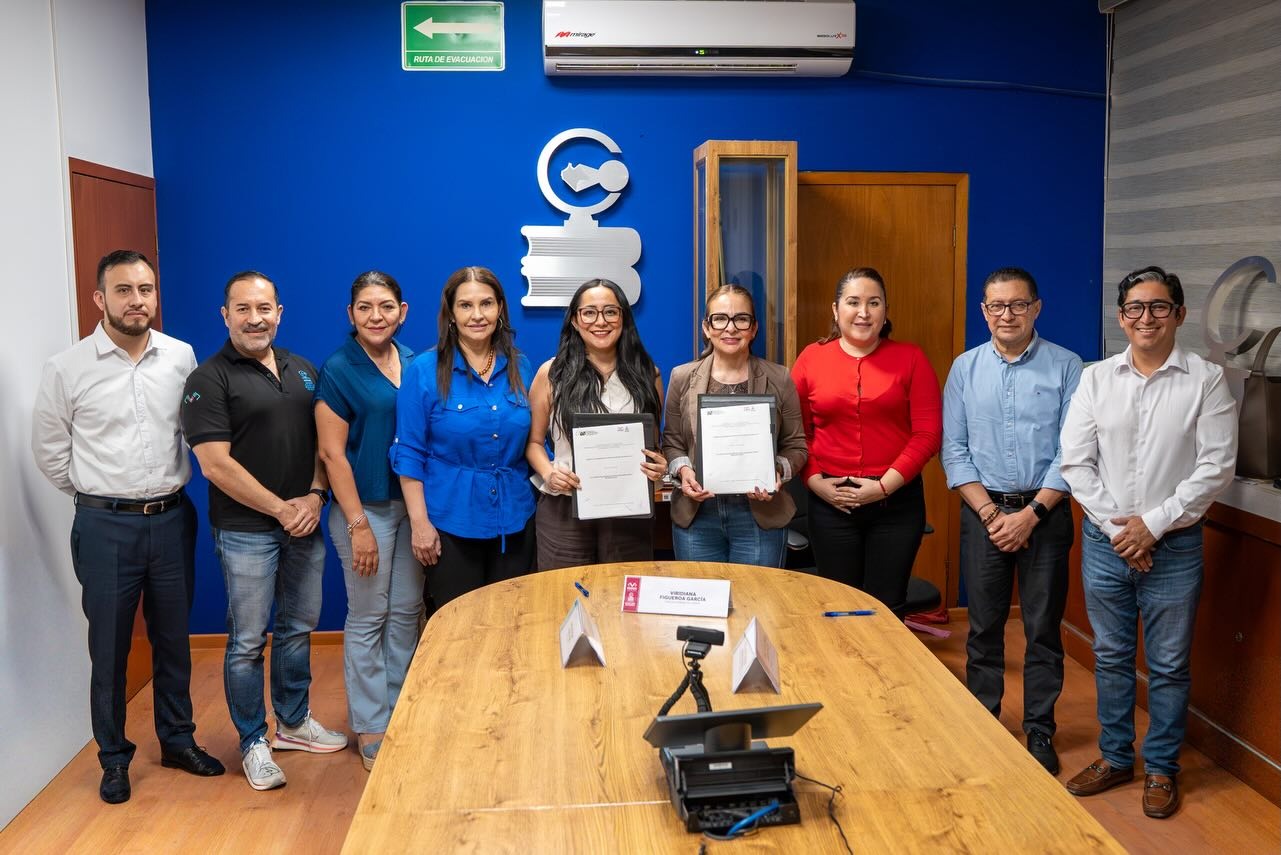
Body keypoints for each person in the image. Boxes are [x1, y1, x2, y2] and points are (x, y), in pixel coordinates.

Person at [31, 250, 224, 804]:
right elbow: (51, 452)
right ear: (100, 299)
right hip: (105, 527)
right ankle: (114, 758)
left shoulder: (181, 356)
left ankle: (178, 740)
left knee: (173, 639)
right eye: (123, 290)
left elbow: (192, 430)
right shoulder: (67, 368)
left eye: (145, 289)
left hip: (171, 520)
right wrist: (101, 496)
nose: (136, 300)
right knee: (110, 648)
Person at [1060, 266, 1237, 818]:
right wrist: (1123, 531)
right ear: (1121, 317)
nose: (1146, 318)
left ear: (1179, 314)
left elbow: (1215, 466)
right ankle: (1116, 758)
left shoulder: (1206, 380)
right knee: (1111, 656)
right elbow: (1075, 462)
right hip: (1105, 544)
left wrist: (1152, 525)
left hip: (1175, 547)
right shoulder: (1095, 379)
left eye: (1159, 307)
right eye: (1135, 308)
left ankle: (1161, 768)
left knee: (1168, 664)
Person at [181, 270, 347, 792]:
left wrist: (315, 496)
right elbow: (215, 465)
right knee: (248, 640)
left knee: (298, 628)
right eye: (243, 309)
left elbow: (324, 443)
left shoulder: (303, 370)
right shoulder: (207, 380)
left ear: (279, 312)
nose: (255, 319)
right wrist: (281, 509)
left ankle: (293, 724)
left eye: (264, 308)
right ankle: (254, 740)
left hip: (305, 523)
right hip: (246, 531)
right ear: (225, 315)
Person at [941, 267, 1082, 774]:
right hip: (984, 514)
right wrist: (990, 514)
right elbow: (954, 451)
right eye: (997, 306)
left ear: (1036, 308)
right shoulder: (965, 368)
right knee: (983, 628)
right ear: (984, 311)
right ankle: (984, 724)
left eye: (1018, 304)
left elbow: (1072, 452)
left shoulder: (1068, 366)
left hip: (1046, 514)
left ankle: (1040, 729)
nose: (1007, 314)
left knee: (1043, 628)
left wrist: (1030, 514)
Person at [790, 267, 942, 616]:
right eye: (853, 302)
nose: (863, 312)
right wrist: (815, 483)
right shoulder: (811, 358)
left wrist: (883, 488)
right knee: (838, 607)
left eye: (874, 303)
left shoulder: (911, 358)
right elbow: (797, 433)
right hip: (831, 502)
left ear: (885, 311)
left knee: (886, 609)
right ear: (835, 309)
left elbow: (927, 434)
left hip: (896, 504)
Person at [315, 271, 419, 772]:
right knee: (368, 616)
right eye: (364, 307)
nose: (376, 316)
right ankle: (372, 724)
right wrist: (357, 525)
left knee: (406, 613)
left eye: (386, 306)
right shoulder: (339, 369)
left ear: (403, 311)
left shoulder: (415, 362)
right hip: (365, 510)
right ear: (350, 314)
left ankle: (401, 711)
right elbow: (332, 455)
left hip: (411, 508)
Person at [391, 266, 536, 606]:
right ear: (451, 313)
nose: (477, 315)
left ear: (500, 308)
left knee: (511, 622)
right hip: (450, 522)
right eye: (466, 305)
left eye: (486, 304)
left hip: (515, 519)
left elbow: (534, 441)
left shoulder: (521, 366)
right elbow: (408, 453)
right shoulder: (424, 371)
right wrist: (420, 524)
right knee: (457, 626)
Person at [525, 278, 667, 570]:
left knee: (622, 593)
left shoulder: (648, 374)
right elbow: (533, 443)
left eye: (610, 312)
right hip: (565, 506)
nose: (600, 321)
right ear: (575, 321)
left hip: (629, 509)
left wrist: (659, 467)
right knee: (565, 593)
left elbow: (653, 444)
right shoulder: (551, 374)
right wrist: (549, 472)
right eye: (589, 312)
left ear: (623, 318)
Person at [662, 284, 807, 567]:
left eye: (741, 319)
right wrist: (684, 471)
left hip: (759, 514)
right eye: (720, 319)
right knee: (701, 595)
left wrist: (776, 470)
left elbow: (796, 445)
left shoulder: (779, 378)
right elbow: (672, 442)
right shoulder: (682, 377)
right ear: (706, 327)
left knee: (756, 595)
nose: (730, 328)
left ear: (753, 328)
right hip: (697, 513)